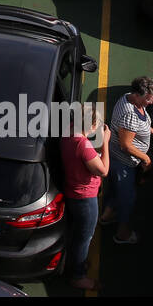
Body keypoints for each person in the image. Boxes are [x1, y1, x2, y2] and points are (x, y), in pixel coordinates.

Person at [99, 76, 153, 244]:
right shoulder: (129, 114)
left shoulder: (130, 98)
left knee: (115, 189)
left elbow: (142, 123)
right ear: (138, 95)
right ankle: (122, 234)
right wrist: (146, 158)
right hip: (123, 164)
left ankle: (107, 216)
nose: (151, 103)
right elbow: (126, 145)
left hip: (119, 161)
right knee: (127, 199)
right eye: (148, 99)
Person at [61, 109, 110, 290]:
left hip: (72, 192)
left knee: (76, 234)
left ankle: (75, 263)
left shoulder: (68, 131)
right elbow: (103, 170)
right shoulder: (82, 144)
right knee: (84, 237)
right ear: (91, 125)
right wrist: (105, 143)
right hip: (85, 199)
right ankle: (78, 276)